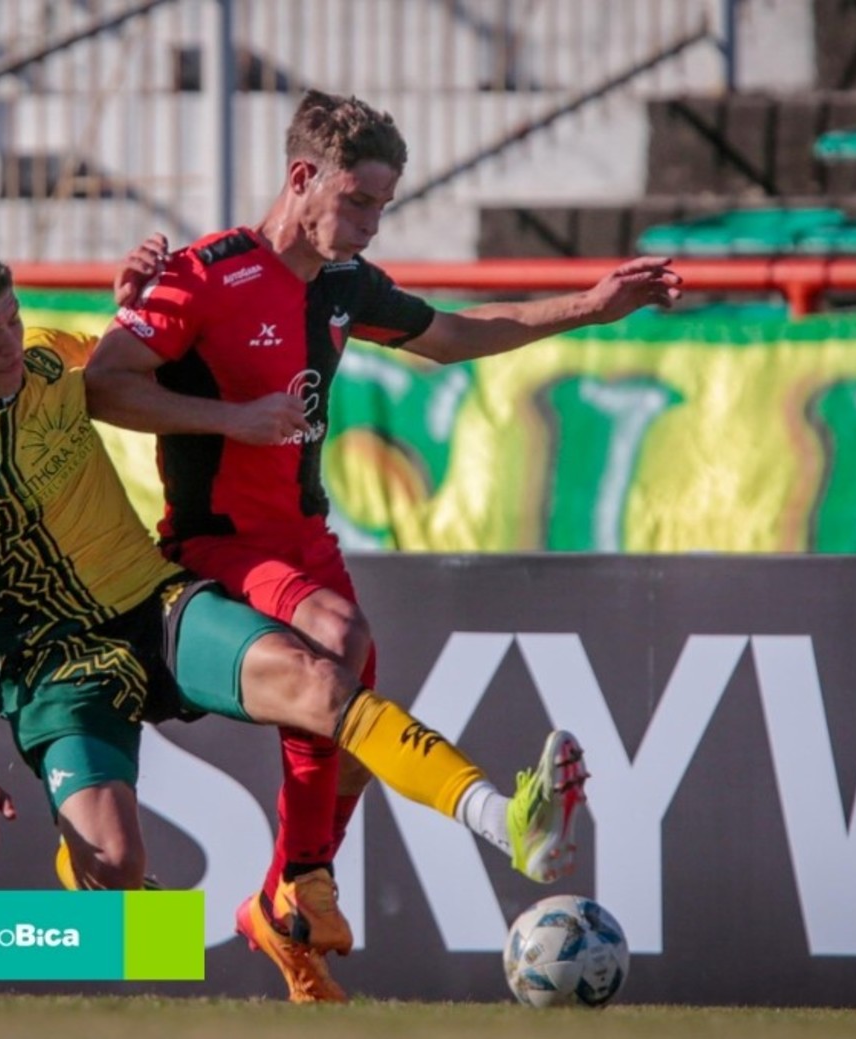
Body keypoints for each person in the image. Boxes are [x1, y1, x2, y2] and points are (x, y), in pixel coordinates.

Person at [84, 89, 679, 1000]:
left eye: (381, 206)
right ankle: (417, 848)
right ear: (301, 179)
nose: (367, 223)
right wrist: (230, 419)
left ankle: (288, 900)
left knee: (350, 710)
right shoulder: (204, 274)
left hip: (307, 535)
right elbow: (104, 387)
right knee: (341, 640)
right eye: (357, 200)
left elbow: (450, 337)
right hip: (220, 542)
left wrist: (589, 308)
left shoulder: (341, 285)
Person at [0, 242, 589, 997]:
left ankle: (506, 820)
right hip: (59, 670)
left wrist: (135, 310)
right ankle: (91, 868)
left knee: (320, 680)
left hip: (152, 608)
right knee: (116, 870)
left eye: (12, 318)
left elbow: (136, 371)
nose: (10, 343)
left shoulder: (49, 357)